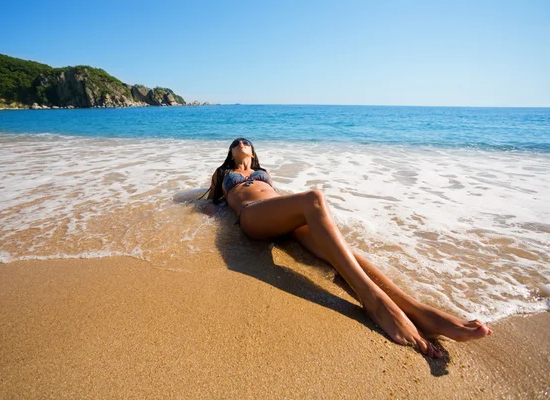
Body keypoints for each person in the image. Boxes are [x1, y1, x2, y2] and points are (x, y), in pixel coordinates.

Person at [206, 138, 492, 358]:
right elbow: (209, 204)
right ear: (230, 154)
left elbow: (276, 197)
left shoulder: (263, 172)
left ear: (253, 153)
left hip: (282, 221)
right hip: (253, 216)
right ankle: (377, 304)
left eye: (245, 143)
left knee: (343, 254)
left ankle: (420, 311)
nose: (240, 144)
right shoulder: (223, 173)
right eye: (235, 144)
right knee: (314, 198)